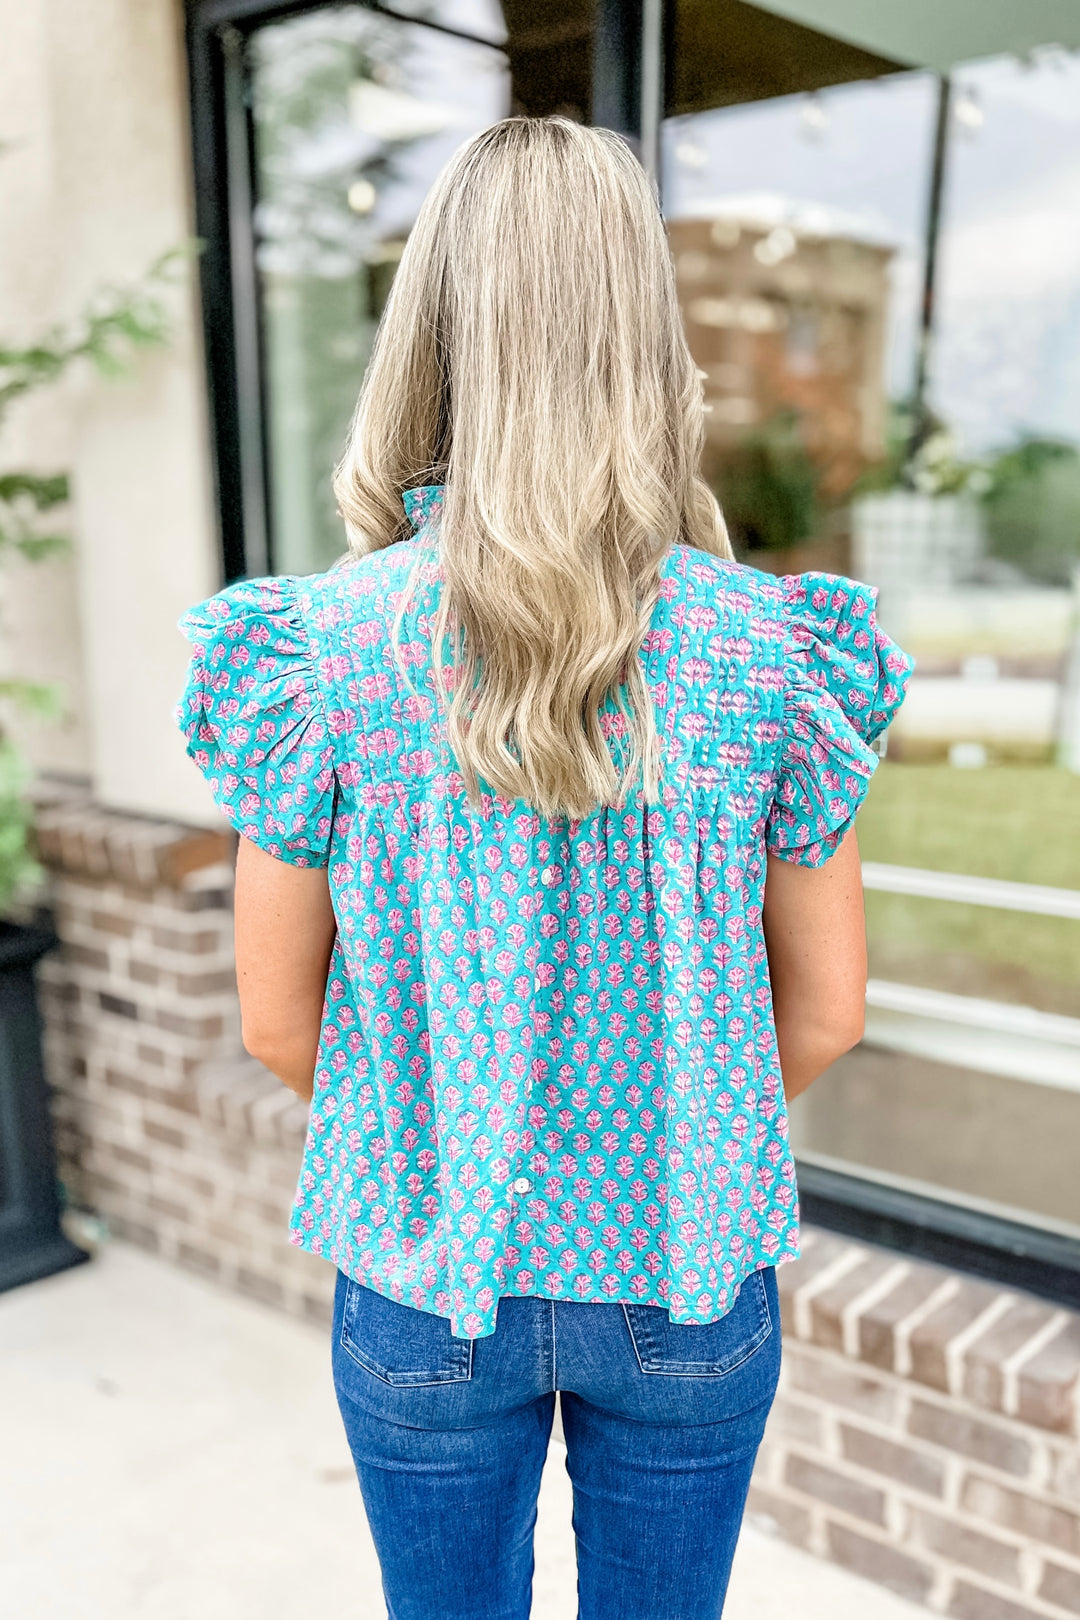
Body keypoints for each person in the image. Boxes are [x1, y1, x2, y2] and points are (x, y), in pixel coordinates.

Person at [177, 115, 912, 1620]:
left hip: (424, 1276)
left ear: (429, 337)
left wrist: (442, 1141)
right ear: (650, 344)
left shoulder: (319, 655)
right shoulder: (774, 657)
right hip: (687, 1276)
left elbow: (273, 1021)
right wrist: (671, 1132)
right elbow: (827, 1015)